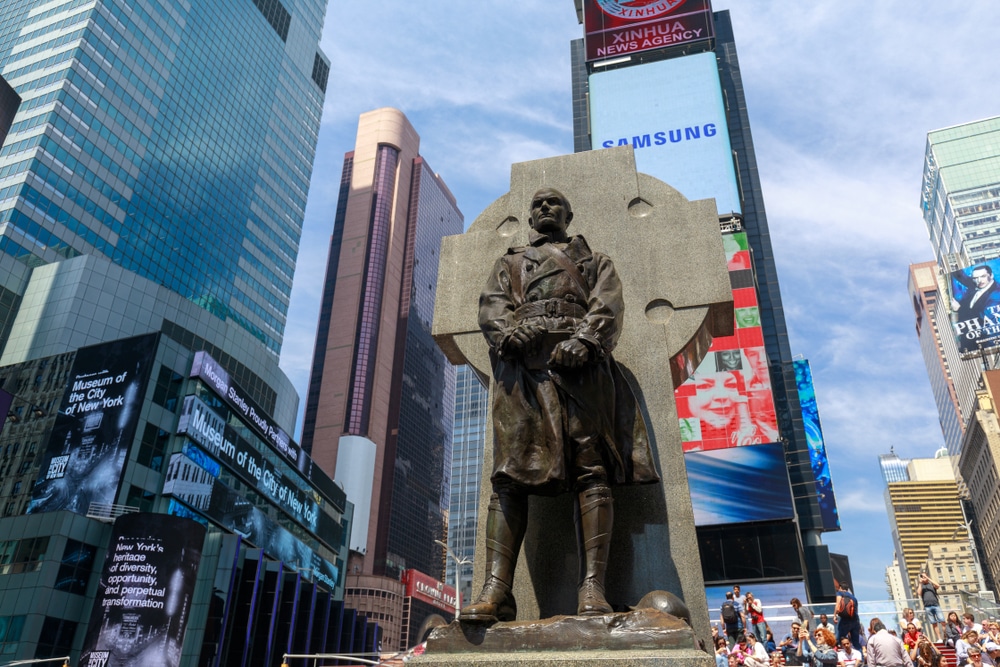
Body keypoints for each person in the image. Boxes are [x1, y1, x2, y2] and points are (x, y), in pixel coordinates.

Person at [464, 188, 661, 622]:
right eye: (537, 204)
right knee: (509, 477)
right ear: (530, 218)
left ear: (569, 214)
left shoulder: (594, 260)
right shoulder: (510, 262)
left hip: (581, 373)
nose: (544, 208)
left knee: (592, 469)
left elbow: (608, 303)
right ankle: (497, 589)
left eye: (554, 203)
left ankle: (593, 586)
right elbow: (491, 306)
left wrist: (586, 340)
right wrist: (506, 334)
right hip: (523, 376)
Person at [917, 573, 945, 642]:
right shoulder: (921, 586)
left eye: (925, 576)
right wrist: (920, 583)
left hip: (936, 605)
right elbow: (919, 593)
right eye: (922, 577)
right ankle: (939, 638)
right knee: (934, 623)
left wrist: (928, 578)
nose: (924, 578)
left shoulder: (931, 584)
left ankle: (946, 636)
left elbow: (938, 585)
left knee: (942, 621)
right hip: (927, 607)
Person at [836, 582, 862, 650]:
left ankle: (842, 657)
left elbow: (838, 604)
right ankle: (860, 658)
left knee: (840, 640)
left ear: (841, 588)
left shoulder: (840, 593)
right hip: (855, 620)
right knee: (856, 642)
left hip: (845, 620)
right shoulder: (854, 597)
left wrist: (834, 615)